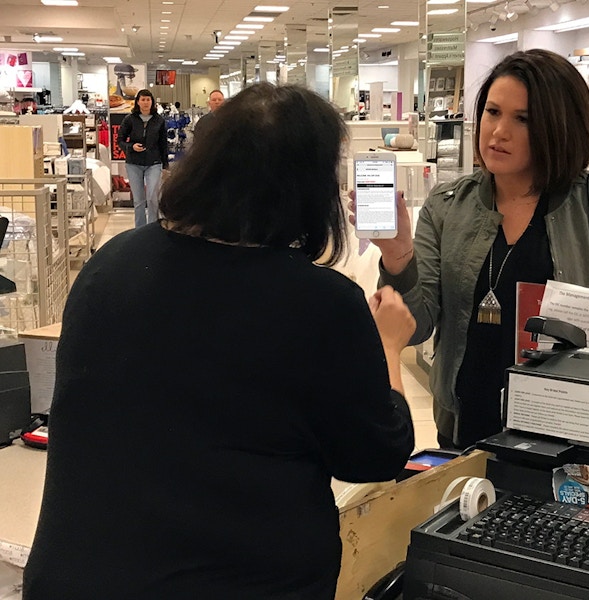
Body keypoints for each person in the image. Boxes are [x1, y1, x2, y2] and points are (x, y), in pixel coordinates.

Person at [23, 83, 416, 600]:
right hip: (242, 579)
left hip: (78, 575)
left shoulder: (111, 263)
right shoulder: (318, 302)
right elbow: (376, 455)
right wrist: (388, 346)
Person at [356, 49, 589, 449]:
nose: (498, 132)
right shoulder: (448, 205)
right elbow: (418, 326)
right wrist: (398, 254)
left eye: (522, 119)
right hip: (465, 426)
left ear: (557, 127)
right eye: (492, 112)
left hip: (569, 434)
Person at [118, 89, 169, 229]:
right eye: (143, 99)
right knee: (139, 201)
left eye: (148, 99)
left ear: (152, 102)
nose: (146, 102)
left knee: (152, 198)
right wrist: (131, 147)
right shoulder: (129, 119)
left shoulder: (159, 120)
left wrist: (165, 164)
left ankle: (152, 228)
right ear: (138, 102)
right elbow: (120, 140)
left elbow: (163, 143)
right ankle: (139, 229)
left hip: (154, 163)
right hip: (133, 163)